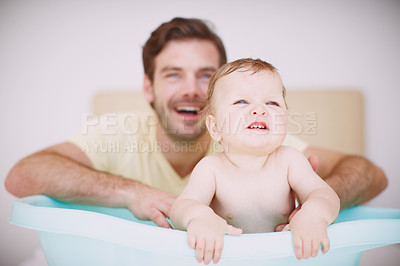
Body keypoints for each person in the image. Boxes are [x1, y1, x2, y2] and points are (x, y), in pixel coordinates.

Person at [5, 17, 386, 231]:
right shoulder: (115, 132)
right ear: (148, 87)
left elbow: (370, 174)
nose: (191, 91)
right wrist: (131, 193)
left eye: (206, 75)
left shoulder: (258, 138)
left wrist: (314, 202)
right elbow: (23, 176)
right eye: (173, 75)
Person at [170, 58, 340, 264]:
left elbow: (324, 194)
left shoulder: (290, 160)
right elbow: (181, 208)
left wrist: (313, 214)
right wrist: (199, 216)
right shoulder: (211, 169)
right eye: (241, 101)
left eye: (272, 103)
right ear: (215, 128)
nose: (260, 110)